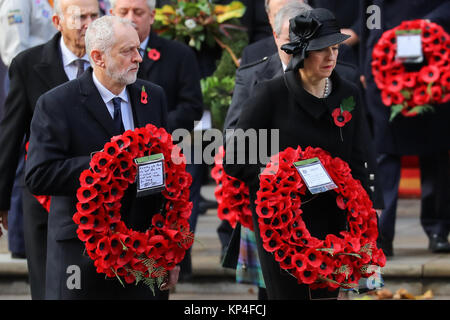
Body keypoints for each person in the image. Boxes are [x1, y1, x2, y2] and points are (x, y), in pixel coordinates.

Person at [223, 8, 378, 300]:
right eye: (322, 50)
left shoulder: (348, 93)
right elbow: (235, 159)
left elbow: (359, 159)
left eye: (335, 48)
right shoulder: (270, 94)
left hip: (333, 223)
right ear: (302, 51)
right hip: (282, 224)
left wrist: (367, 215)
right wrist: (280, 175)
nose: (332, 57)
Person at [25, 15, 178, 300]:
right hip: (80, 253)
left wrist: (169, 252)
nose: (138, 59)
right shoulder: (57, 103)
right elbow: (38, 175)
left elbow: (163, 175)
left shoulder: (152, 95)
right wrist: (107, 165)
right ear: (98, 57)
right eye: (127, 51)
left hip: (141, 251)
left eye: (138, 49)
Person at [0, 0, 100, 299]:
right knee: (48, 288)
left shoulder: (111, 60)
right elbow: (11, 131)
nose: (88, 23)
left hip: (100, 197)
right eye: (79, 16)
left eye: (94, 16)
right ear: (57, 22)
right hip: (46, 198)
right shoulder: (29, 64)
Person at [110, 0, 203, 281]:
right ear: (112, 14)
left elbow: (191, 107)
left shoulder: (178, 54)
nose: (130, 18)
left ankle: (173, 260)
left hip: (165, 151)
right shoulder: (105, 56)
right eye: (123, 12)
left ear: (152, 15)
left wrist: (150, 134)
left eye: (138, 12)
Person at [359, 0, 450, 256]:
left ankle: (438, 229)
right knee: (386, 156)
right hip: (385, 69)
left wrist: (429, 23)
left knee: (435, 155)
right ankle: (382, 234)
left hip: (435, 67)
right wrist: (367, 61)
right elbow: (370, 16)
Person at [0, 0, 57, 261]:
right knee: (23, 159)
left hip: (54, 82)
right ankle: (19, 240)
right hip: (30, 78)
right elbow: (13, 47)